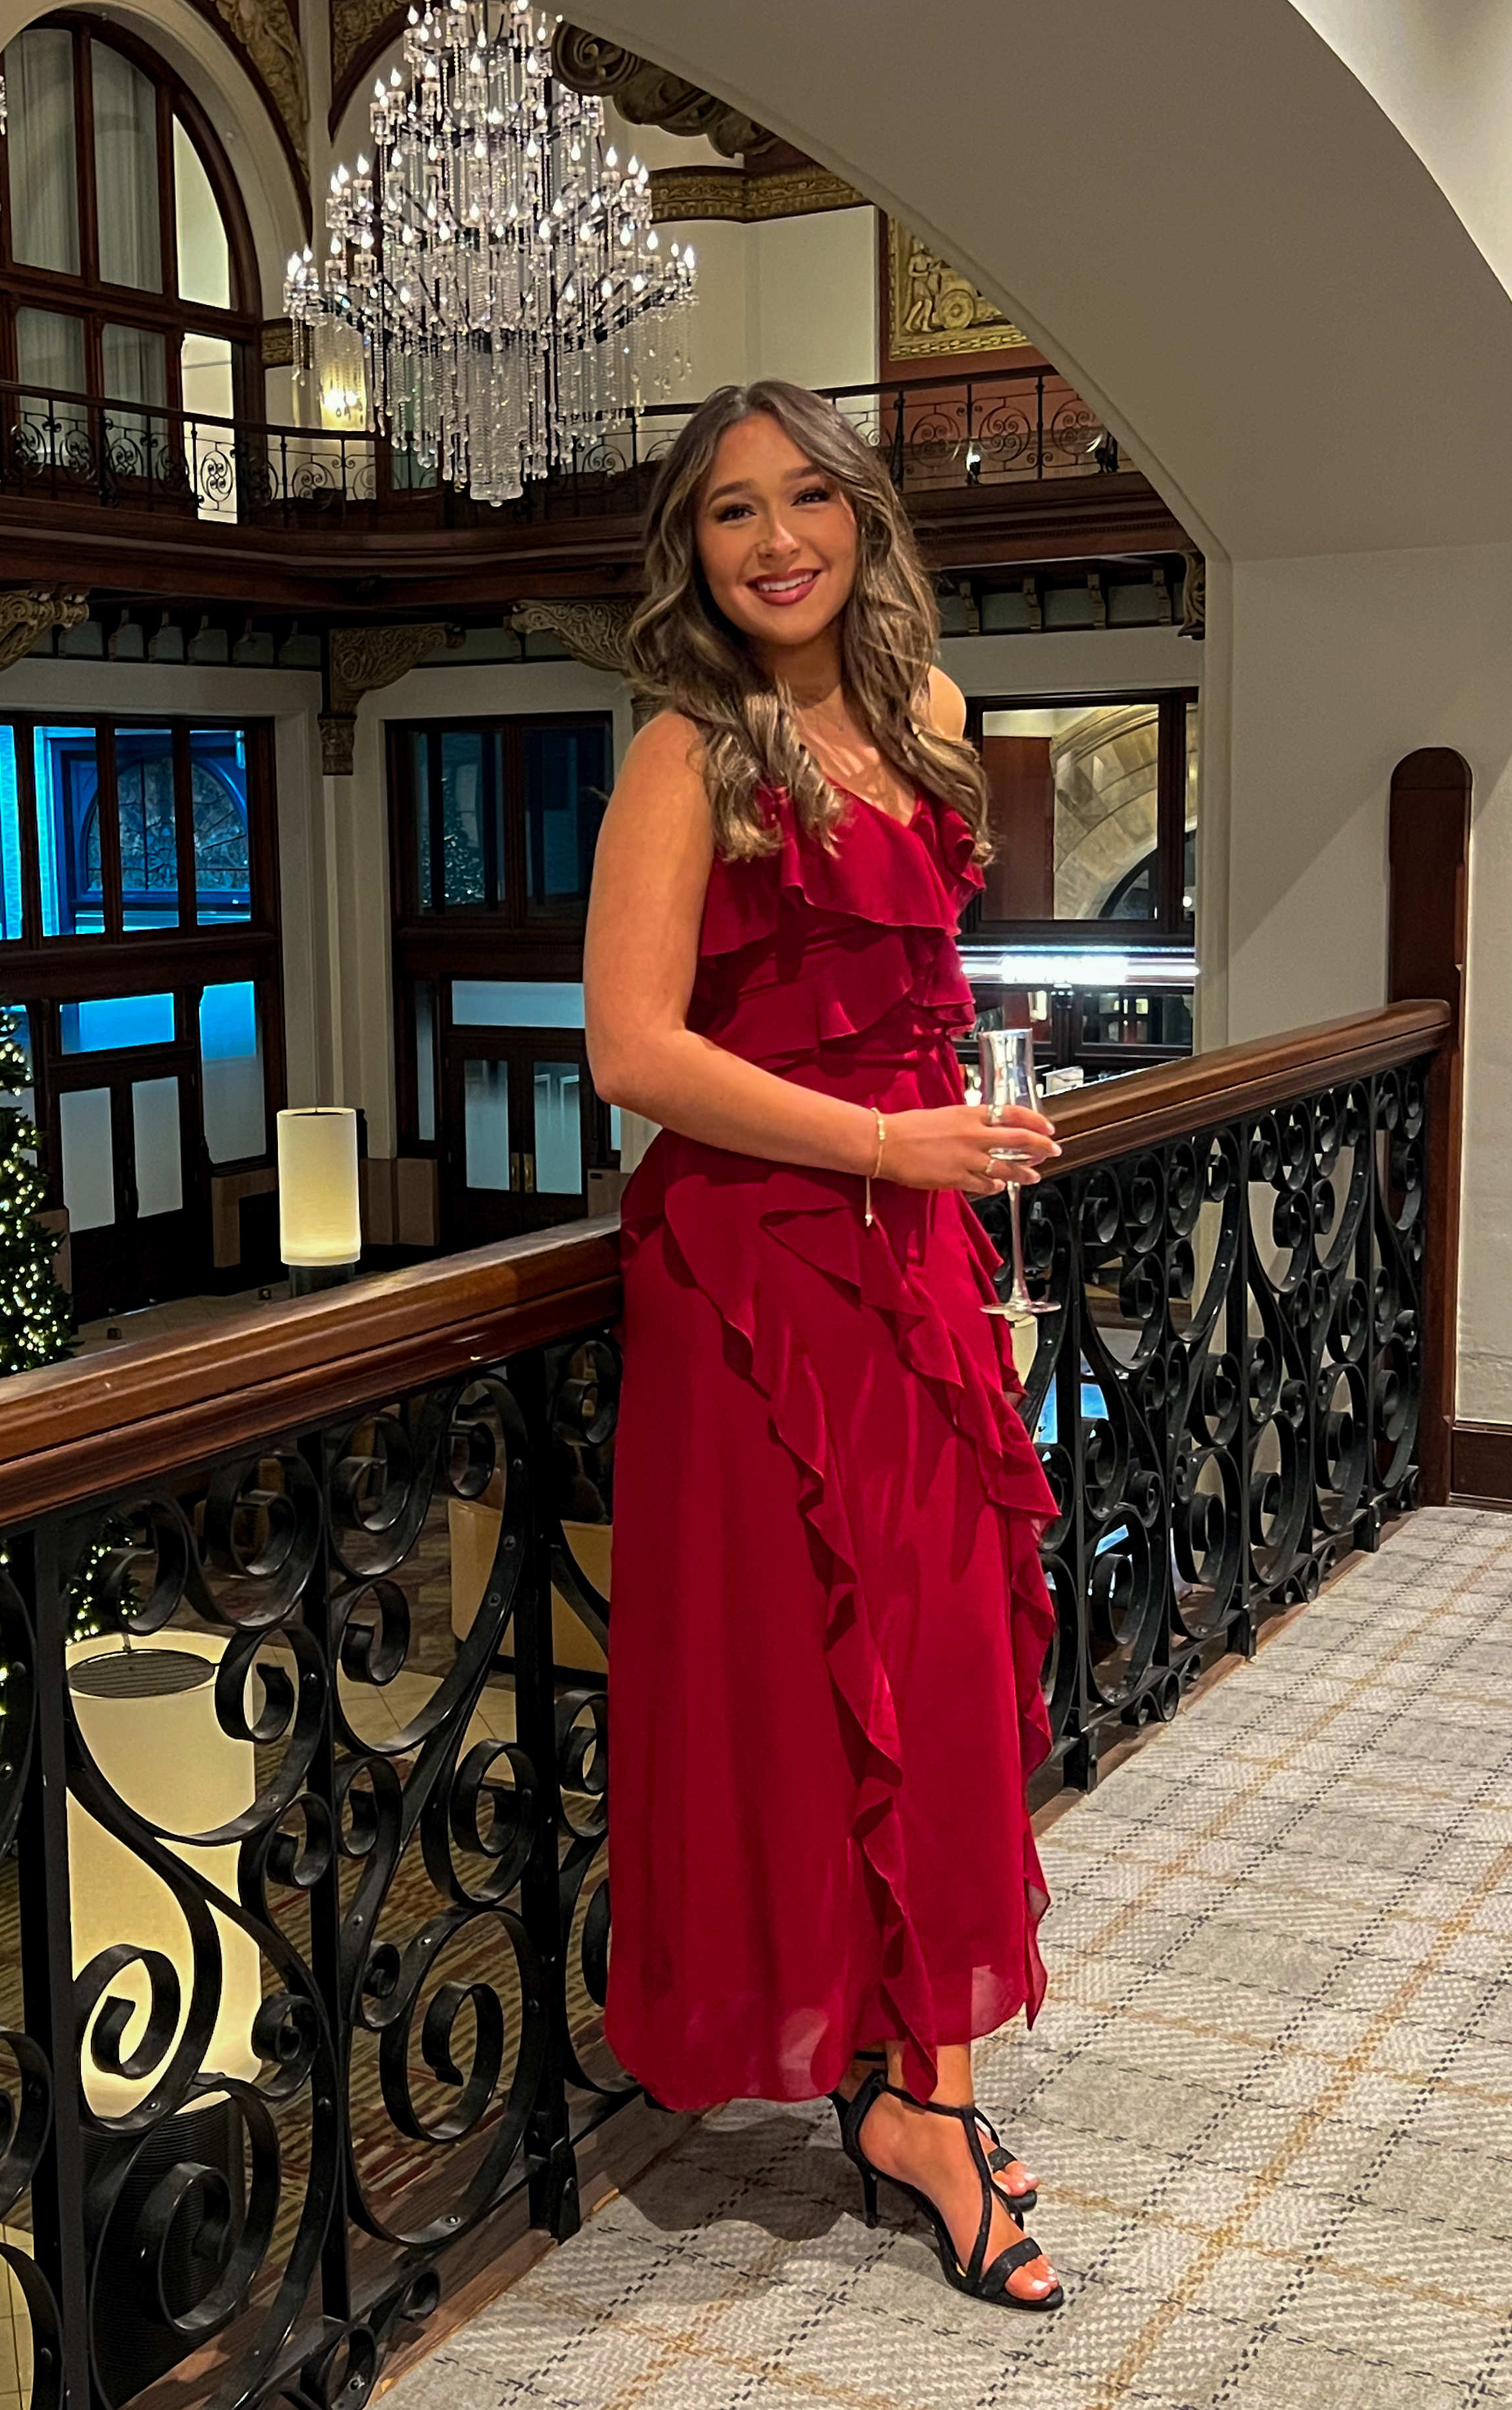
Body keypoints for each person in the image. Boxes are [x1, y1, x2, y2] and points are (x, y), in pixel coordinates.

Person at [585, 379, 1066, 2312]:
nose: (772, 537)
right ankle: (908, 2097)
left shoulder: (929, 720)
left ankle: (911, 2078)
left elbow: (902, 995)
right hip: (751, 1269)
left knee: (945, 1655)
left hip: (913, 1245)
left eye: (802, 498)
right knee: (819, 1687)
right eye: (726, 513)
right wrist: (886, 1138)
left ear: (857, 516)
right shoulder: (680, 753)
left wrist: (950, 1140)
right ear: (688, 554)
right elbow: (630, 1055)